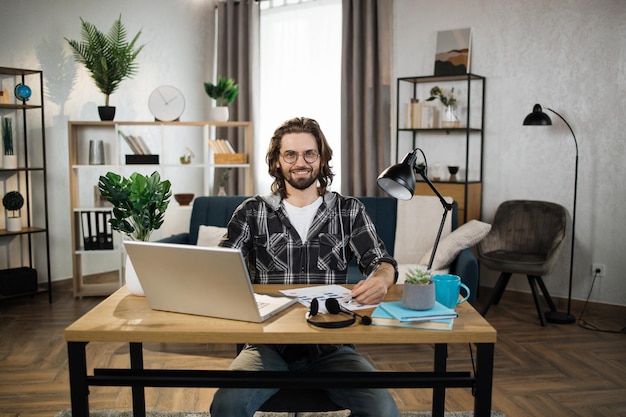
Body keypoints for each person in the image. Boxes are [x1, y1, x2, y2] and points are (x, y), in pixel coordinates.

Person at [210, 117, 401, 417]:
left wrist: (383, 278)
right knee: (226, 405)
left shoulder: (349, 211)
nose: (301, 162)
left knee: (383, 409)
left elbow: (381, 261)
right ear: (276, 161)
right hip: (267, 347)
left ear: (322, 158)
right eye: (290, 155)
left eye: (310, 153)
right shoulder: (251, 211)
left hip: (333, 347)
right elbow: (220, 268)